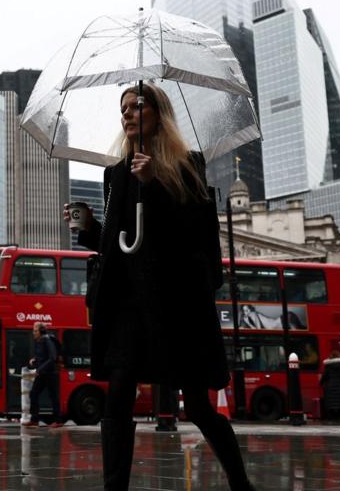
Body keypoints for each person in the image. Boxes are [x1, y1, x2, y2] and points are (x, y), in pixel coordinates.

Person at [68, 83, 254, 491]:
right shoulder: (115, 174)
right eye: (123, 109)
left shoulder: (187, 165)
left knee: (200, 406)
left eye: (136, 105)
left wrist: (153, 184)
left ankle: (241, 484)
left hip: (176, 303)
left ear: (158, 112)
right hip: (128, 302)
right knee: (118, 392)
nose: (128, 114)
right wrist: (88, 231)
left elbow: (198, 236)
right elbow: (119, 242)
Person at [24, 322, 63, 428]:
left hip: (51, 374)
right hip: (42, 373)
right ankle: (34, 420)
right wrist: (35, 360)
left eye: (35, 331)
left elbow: (52, 358)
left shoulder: (47, 340)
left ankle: (58, 421)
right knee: (33, 393)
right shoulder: (39, 341)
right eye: (33, 330)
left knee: (54, 396)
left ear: (41, 331)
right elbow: (42, 357)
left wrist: (39, 369)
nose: (33, 333)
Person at [319, 350, 340, 420]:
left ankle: (332, 417)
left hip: (331, 387)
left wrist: (320, 383)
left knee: (331, 404)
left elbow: (324, 377)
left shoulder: (328, 366)